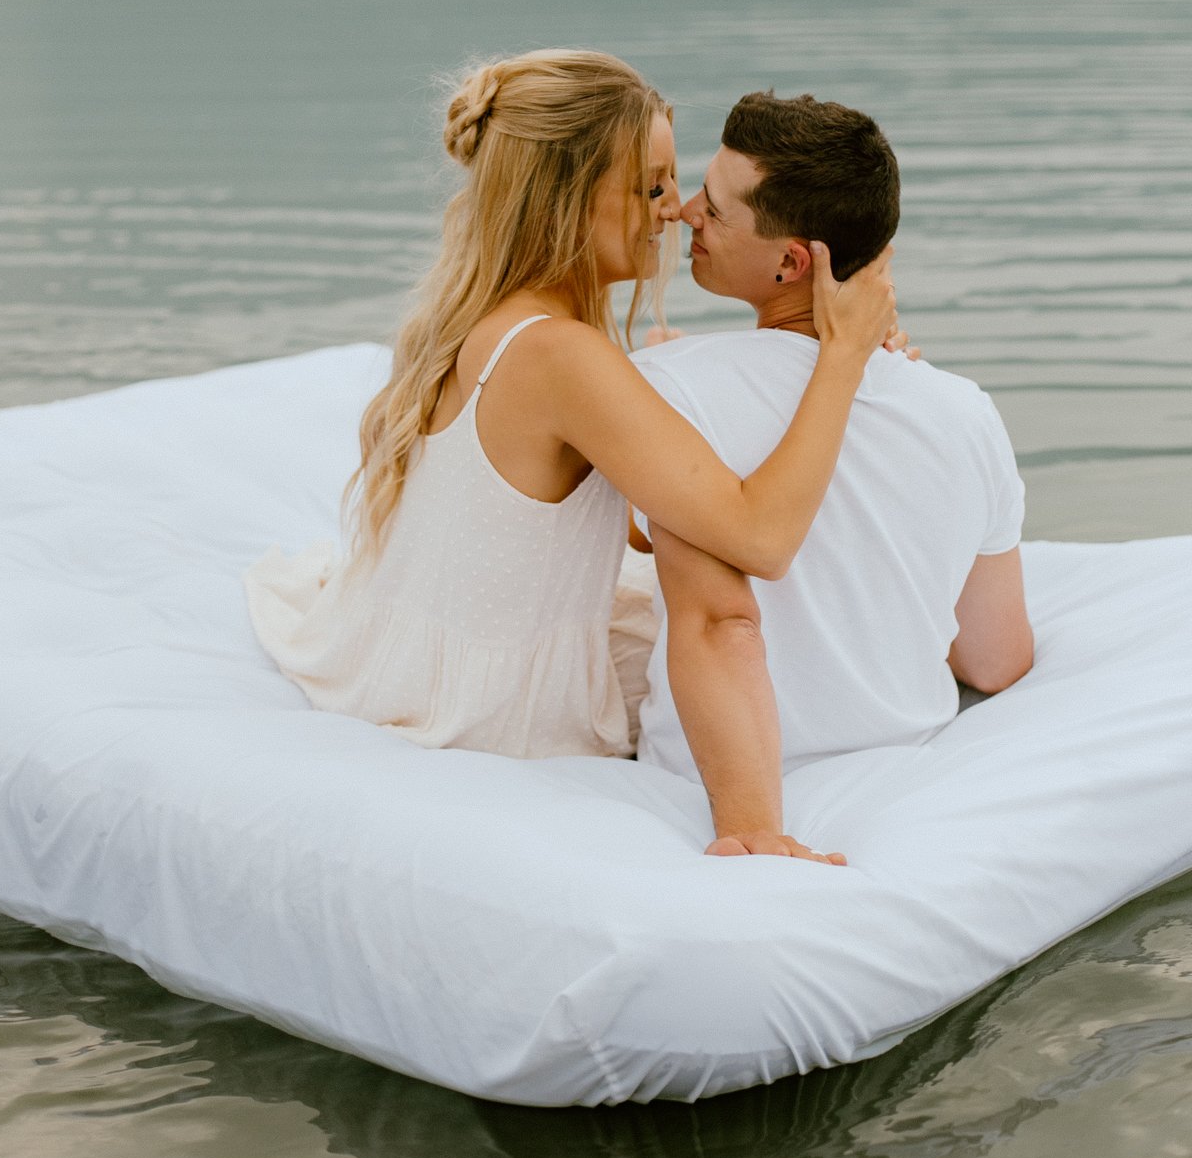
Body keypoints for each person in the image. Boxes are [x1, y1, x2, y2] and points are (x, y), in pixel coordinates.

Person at [244, 51, 900, 761]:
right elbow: (761, 541)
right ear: (566, 199)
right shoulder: (560, 356)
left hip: (404, 651)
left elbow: (593, 525)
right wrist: (842, 358)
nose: (676, 211)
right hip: (492, 711)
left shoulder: (488, 316)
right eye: (651, 189)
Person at [632, 90, 1034, 863]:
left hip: (703, 783)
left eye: (712, 209)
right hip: (904, 774)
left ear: (791, 261)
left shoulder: (663, 385)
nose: (683, 212)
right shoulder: (961, 410)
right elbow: (995, 659)